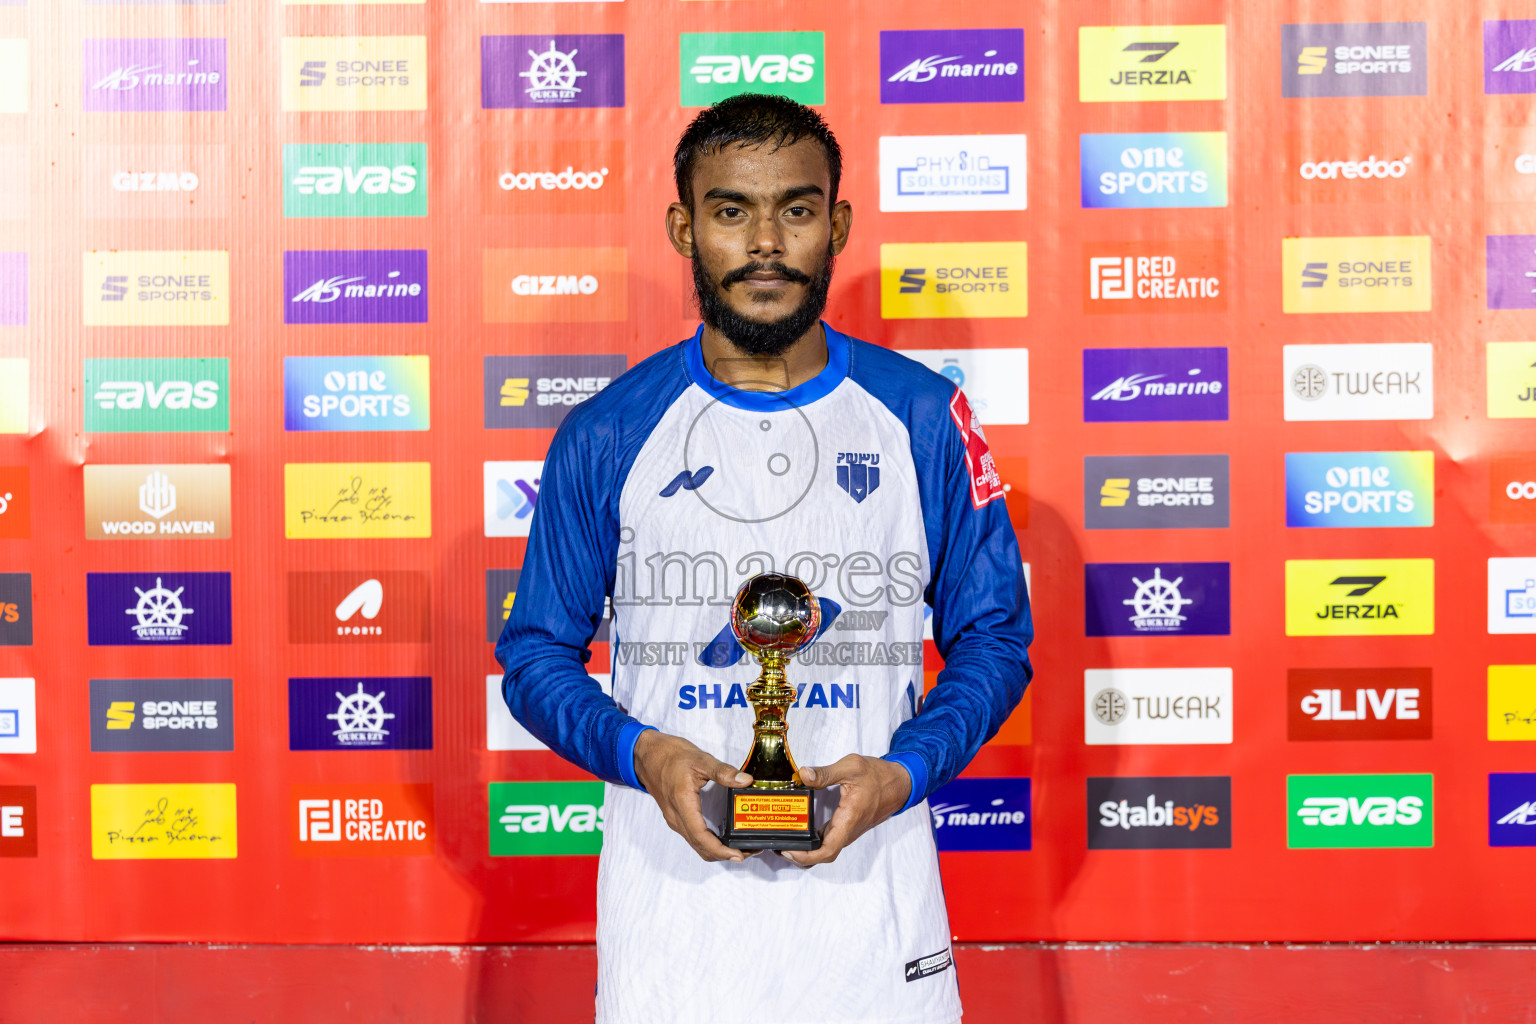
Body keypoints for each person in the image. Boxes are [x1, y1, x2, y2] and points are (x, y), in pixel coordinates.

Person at [497, 93, 1033, 1024]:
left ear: (838, 224)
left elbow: (994, 638)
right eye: (730, 210)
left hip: (875, 917)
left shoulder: (922, 418)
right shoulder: (609, 433)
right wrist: (645, 754)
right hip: (674, 930)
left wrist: (902, 772)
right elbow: (536, 656)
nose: (765, 243)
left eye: (796, 208)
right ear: (684, 225)